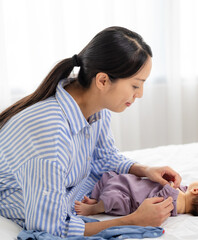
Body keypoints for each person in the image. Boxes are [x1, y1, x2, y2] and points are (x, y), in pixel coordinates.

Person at [0, 26, 182, 237]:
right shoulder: (50, 133)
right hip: (21, 199)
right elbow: (50, 228)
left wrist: (145, 169)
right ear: (103, 80)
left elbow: (105, 157)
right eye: (135, 85)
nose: (140, 94)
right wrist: (134, 220)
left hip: (72, 192)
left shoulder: (95, 107)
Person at [74, 172, 198, 217]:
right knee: (109, 178)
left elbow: (164, 193)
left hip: (127, 196)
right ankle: (95, 200)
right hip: (127, 187)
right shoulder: (180, 200)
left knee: (112, 197)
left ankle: (93, 209)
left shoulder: (172, 195)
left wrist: (168, 185)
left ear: (196, 190)